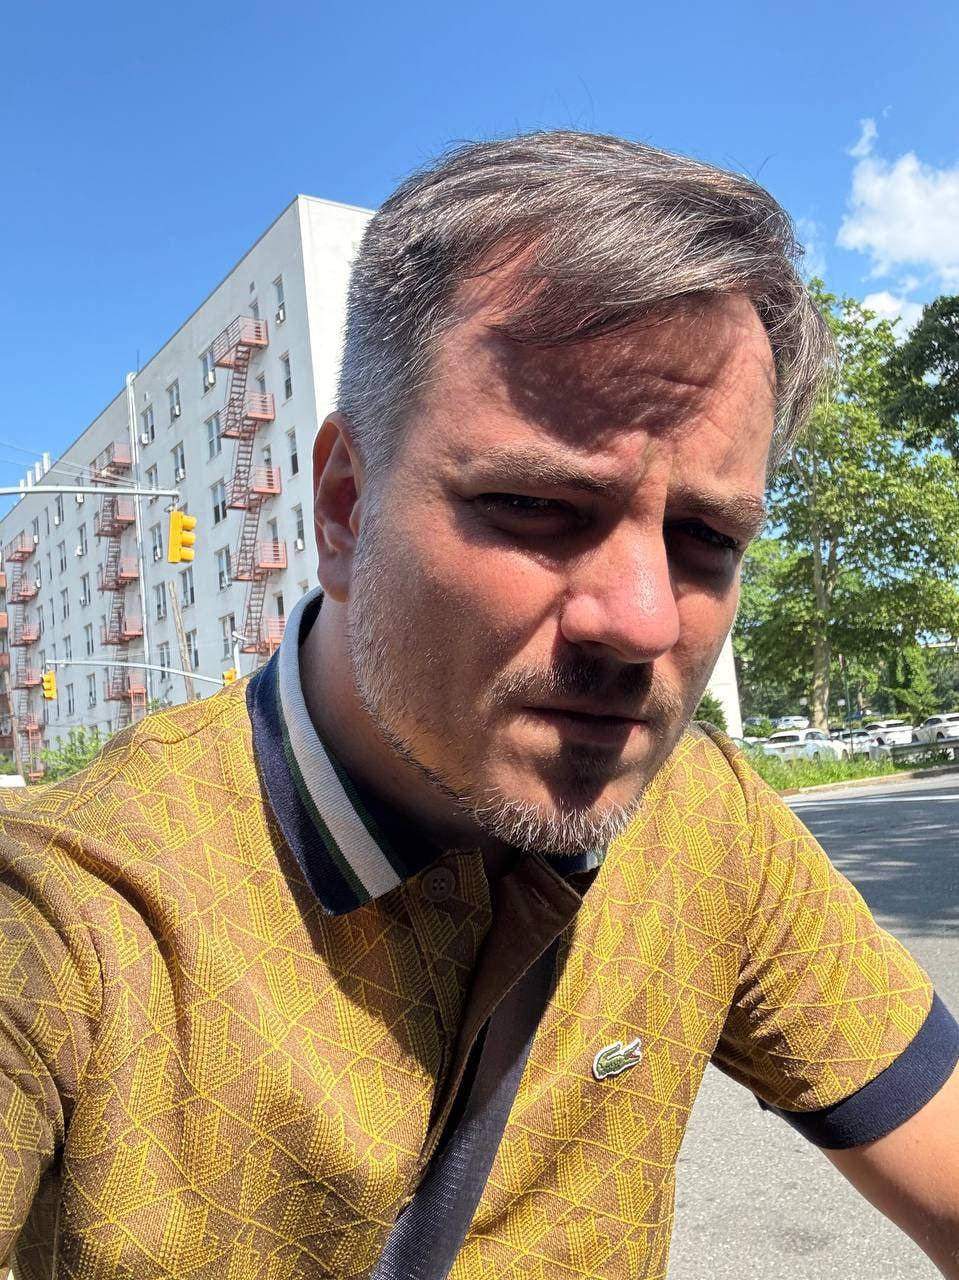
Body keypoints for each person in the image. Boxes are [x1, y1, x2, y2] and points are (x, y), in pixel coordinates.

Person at [2, 131, 957, 1280]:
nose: (642, 619)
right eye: (534, 504)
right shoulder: (72, 910)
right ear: (344, 509)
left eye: (706, 535)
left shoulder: (704, 824)